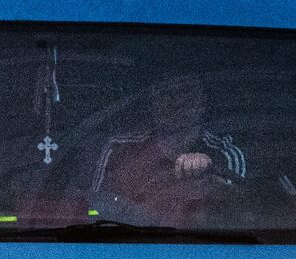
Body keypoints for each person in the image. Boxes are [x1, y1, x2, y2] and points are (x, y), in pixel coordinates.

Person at [92, 76, 248, 218]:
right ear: (152, 102)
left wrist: (210, 175)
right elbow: (96, 212)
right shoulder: (120, 150)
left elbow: (237, 218)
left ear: (202, 100)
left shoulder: (226, 153)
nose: (177, 102)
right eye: (166, 93)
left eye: (186, 92)